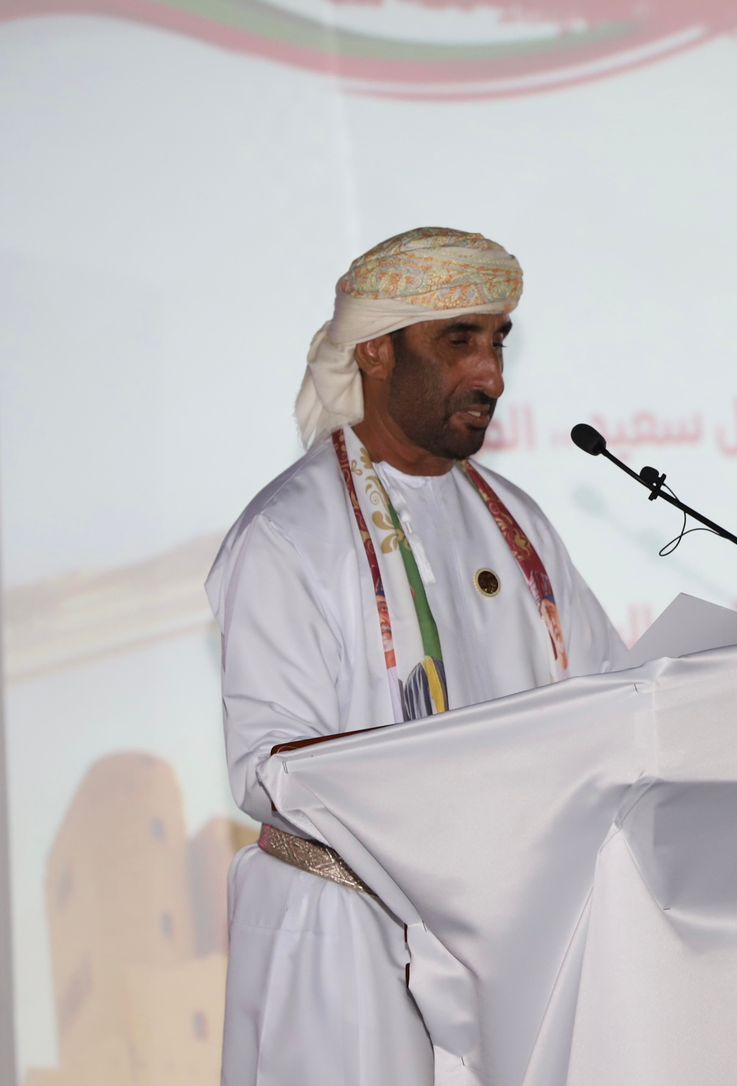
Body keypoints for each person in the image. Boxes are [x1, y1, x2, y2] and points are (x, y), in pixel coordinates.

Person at [206, 227, 625, 1085]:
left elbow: (609, 698)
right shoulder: (289, 533)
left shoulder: (519, 525)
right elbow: (268, 768)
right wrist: (443, 802)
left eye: (498, 341)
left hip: (508, 940)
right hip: (343, 938)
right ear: (376, 351)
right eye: (459, 341)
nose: (491, 375)